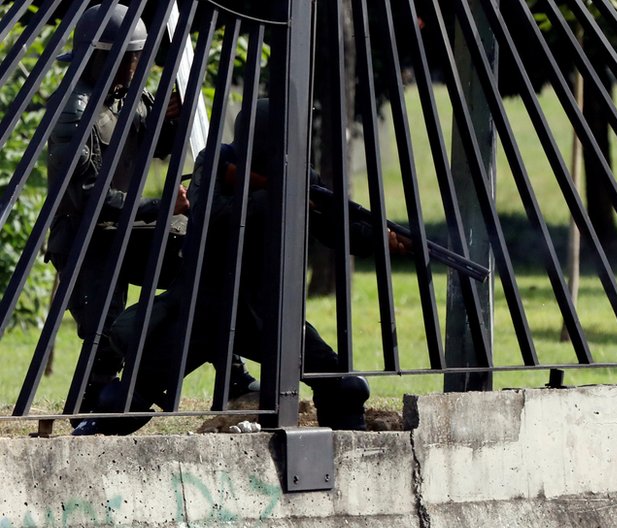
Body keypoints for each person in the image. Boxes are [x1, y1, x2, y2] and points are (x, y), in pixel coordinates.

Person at [77, 98, 408, 435]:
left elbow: (333, 225)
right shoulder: (218, 161)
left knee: (343, 386)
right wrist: (273, 198)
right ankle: (87, 442)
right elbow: (209, 215)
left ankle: (342, 456)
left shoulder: (297, 176)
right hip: (201, 308)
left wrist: (376, 239)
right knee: (129, 398)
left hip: (261, 313)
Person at [47, 4, 257, 421]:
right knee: (101, 338)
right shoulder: (75, 109)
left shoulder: (127, 96)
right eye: (130, 56)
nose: (137, 64)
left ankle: (231, 376)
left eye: (139, 55)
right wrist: (160, 207)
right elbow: (85, 198)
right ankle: (94, 408)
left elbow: (154, 144)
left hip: (126, 226)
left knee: (198, 259)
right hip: (85, 240)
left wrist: (173, 120)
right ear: (103, 55)